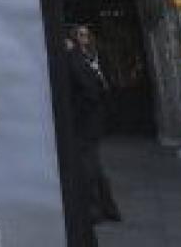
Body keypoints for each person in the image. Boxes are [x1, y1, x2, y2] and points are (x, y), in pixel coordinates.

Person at [67, 24, 122, 225]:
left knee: (89, 165)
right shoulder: (86, 59)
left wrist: (78, 113)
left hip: (86, 120)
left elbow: (90, 90)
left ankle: (96, 209)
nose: (85, 38)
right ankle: (108, 208)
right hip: (91, 118)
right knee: (94, 164)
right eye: (81, 35)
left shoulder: (82, 59)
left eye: (86, 35)